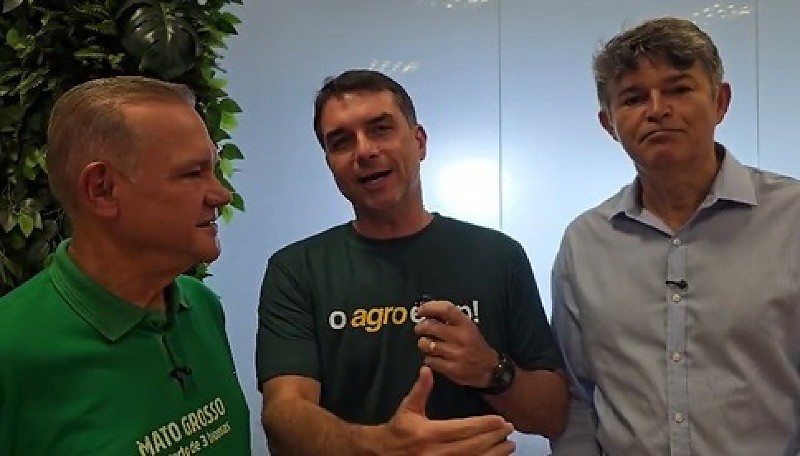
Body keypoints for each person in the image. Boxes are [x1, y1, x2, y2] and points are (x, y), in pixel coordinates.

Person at [257, 69, 567, 454]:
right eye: (341, 141)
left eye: (380, 129)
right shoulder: (297, 270)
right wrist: (384, 448)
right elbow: (284, 415)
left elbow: (553, 414)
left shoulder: (498, 256)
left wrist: (491, 370)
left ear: (419, 142)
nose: (364, 151)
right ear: (330, 163)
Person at [550, 16, 800, 455]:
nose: (657, 109)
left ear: (720, 102)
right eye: (633, 98)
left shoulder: (792, 219)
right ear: (609, 123)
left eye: (679, 89)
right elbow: (577, 397)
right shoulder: (584, 243)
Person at [0, 76, 251, 455]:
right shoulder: (11, 351)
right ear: (102, 189)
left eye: (213, 169)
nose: (221, 194)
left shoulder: (201, 306)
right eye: (192, 173)